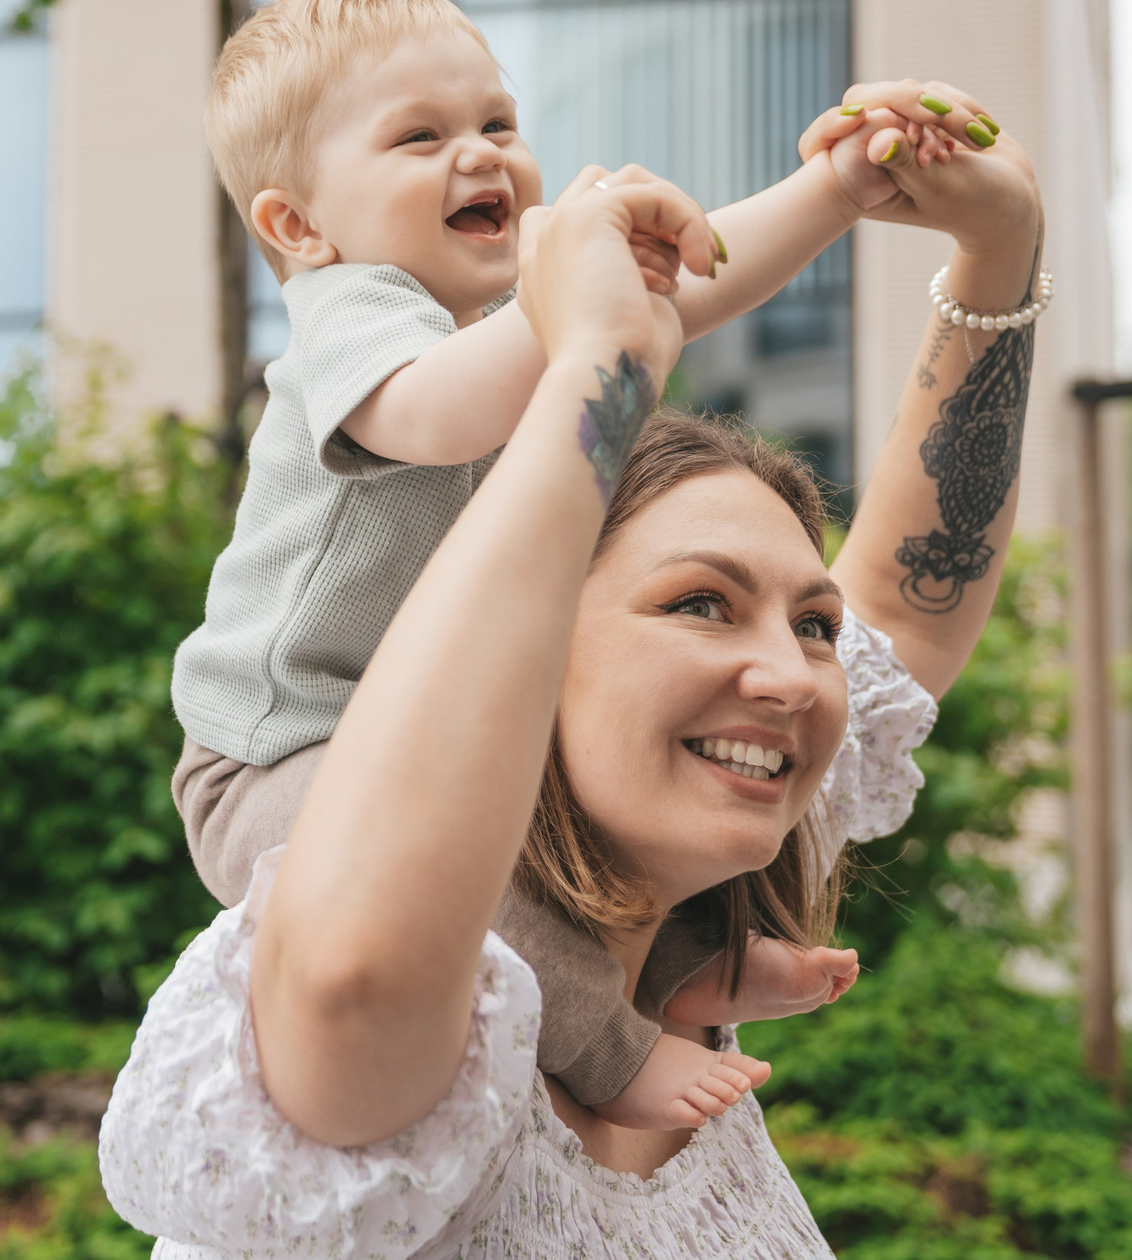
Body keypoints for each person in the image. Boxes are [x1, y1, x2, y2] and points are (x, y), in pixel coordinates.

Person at [103, 77, 1045, 1254]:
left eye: (809, 624)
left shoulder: (680, 916)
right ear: (522, 657)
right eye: (702, 604)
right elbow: (356, 969)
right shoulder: (403, 1052)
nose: (796, 675)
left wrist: (996, 247)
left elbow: (915, 589)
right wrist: (596, 365)